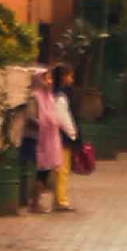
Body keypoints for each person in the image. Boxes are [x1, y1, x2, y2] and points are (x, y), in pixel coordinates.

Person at [27, 66, 75, 212]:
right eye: (46, 78)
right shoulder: (35, 97)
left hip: (50, 139)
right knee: (40, 171)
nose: (49, 82)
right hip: (39, 140)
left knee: (45, 171)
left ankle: (37, 202)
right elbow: (31, 118)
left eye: (50, 78)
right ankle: (34, 202)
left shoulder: (49, 96)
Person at [51, 64, 80, 212]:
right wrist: (72, 132)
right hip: (62, 136)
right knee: (63, 169)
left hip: (56, 135)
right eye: (70, 76)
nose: (72, 79)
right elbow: (63, 117)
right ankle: (61, 200)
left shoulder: (54, 94)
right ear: (63, 77)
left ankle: (59, 198)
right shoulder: (61, 96)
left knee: (60, 168)